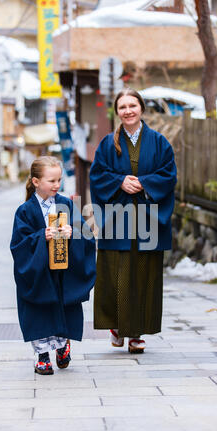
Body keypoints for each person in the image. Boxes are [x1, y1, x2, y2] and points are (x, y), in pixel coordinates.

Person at [89, 88, 177, 354]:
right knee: (116, 273)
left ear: (141, 108)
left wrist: (144, 183)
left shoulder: (159, 142)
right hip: (118, 217)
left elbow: (169, 175)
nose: (128, 111)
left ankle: (136, 333)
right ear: (117, 112)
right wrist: (120, 181)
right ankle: (117, 326)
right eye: (122, 107)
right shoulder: (107, 144)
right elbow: (97, 176)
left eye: (132, 105)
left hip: (148, 217)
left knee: (143, 273)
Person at [10, 156, 96, 375]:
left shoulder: (66, 204)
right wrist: (41, 236)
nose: (57, 185)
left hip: (63, 272)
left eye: (59, 180)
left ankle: (62, 346)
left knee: (64, 309)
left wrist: (73, 234)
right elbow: (19, 244)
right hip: (39, 272)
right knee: (39, 311)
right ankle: (42, 356)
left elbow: (86, 235)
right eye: (51, 181)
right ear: (36, 182)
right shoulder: (25, 211)